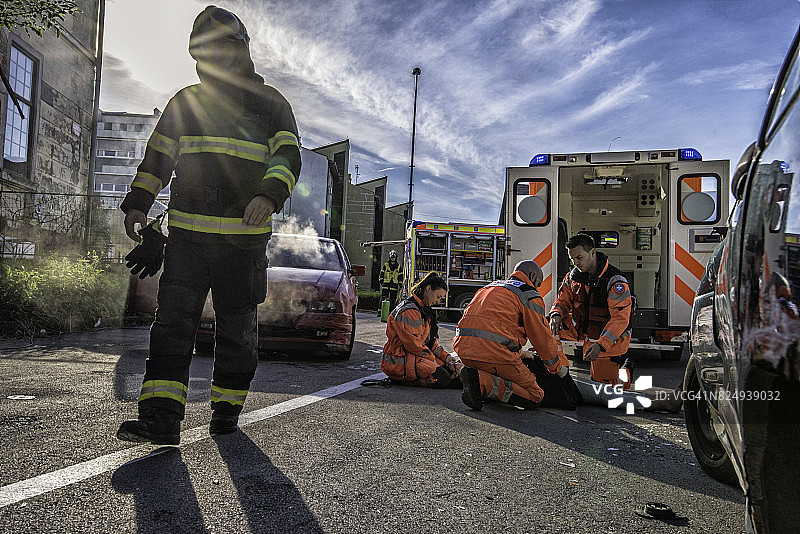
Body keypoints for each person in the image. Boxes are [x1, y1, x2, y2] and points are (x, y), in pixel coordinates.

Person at [116, 6, 302, 445]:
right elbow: (158, 158)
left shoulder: (272, 104)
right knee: (172, 327)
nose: (216, 58)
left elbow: (288, 157)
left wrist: (267, 195)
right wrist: (139, 203)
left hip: (242, 245)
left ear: (241, 50)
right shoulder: (185, 102)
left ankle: (226, 411)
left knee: (236, 332)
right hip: (187, 241)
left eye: (224, 47)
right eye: (207, 50)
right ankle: (161, 419)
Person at [453, 260, 580, 411]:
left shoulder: (490, 287)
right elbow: (542, 341)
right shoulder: (529, 294)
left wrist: (521, 353)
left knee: (504, 375)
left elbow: (494, 330)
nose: (537, 288)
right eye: (538, 283)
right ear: (532, 276)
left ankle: (480, 383)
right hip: (493, 355)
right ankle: (481, 382)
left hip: (464, 351)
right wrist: (559, 371)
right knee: (535, 395)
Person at [549, 234, 634, 389]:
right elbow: (563, 300)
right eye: (572, 259)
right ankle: (558, 372)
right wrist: (555, 314)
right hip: (586, 331)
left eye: (579, 257)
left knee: (608, 389)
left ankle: (626, 369)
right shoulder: (573, 277)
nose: (575, 263)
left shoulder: (615, 281)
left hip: (610, 340)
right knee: (544, 328)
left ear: (593, 252)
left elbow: (621, 319)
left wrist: (601, 345)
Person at [381, 272, 463, 387]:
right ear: (428, 289)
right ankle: (405, 380)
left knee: (453, 374)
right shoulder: (409, 311)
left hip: (412, 358)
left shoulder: (423, 310)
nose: (438, 302)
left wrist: (447, 359)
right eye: (438, 297)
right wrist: (436, 361)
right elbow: (414, 345)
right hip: (401, 362)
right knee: (443, 377)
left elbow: (430, 344)